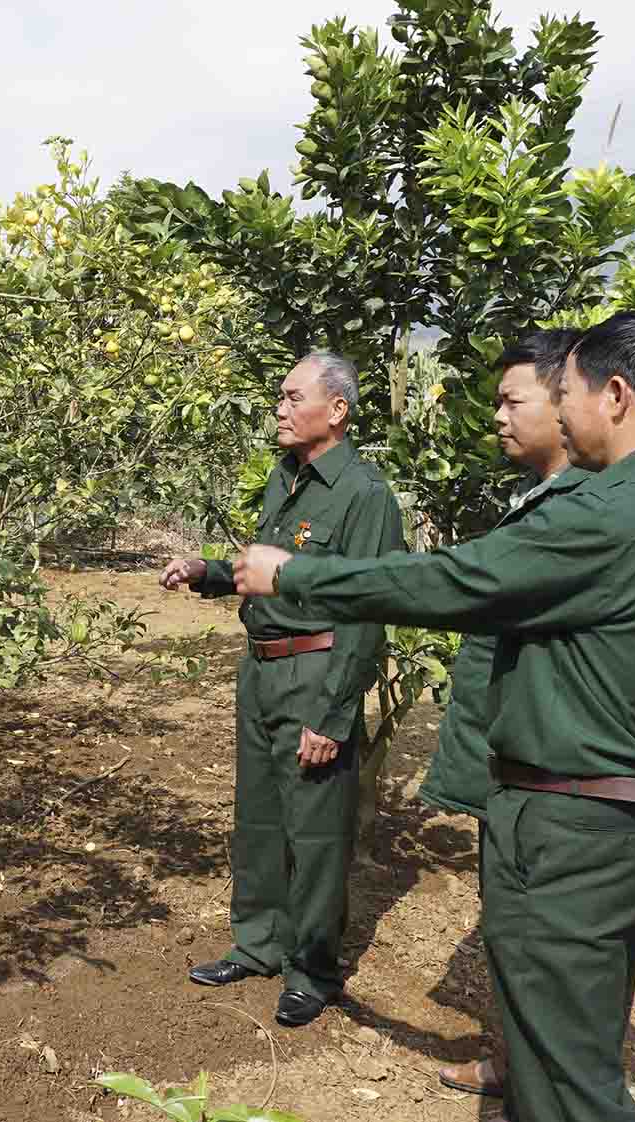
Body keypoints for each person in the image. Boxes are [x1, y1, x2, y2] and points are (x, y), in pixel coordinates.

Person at [230, 313, 635, 1122]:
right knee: (557, 1049)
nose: (549, 407)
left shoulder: (609, 516)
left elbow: (452, 581)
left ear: (615, 396)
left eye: (566, 390)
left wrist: (298, 575)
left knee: (573, 1083)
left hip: (574, 824)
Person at [159, 350, 405, 1028]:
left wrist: (333, 712)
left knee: (318, 831)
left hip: (315, 673)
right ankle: (260, 942)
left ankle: (314, 969)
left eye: (294, 397)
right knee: (261, 817)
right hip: (262, 668)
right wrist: (206, 569)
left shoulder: (364, 494)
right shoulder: (286, 478)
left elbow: (367, 609)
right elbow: (263, 570)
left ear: (337, 410)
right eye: (280, 397)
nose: (280, 408)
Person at [416, 328, 584, 1099]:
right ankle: (513, 1065)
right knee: (510, 929)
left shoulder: (585, 514)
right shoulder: (534, 502)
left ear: (570, 398)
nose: (498, 418)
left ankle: (549, 1083)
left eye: (513, 401)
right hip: (507, 761)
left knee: (549, 945)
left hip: (553, 776)